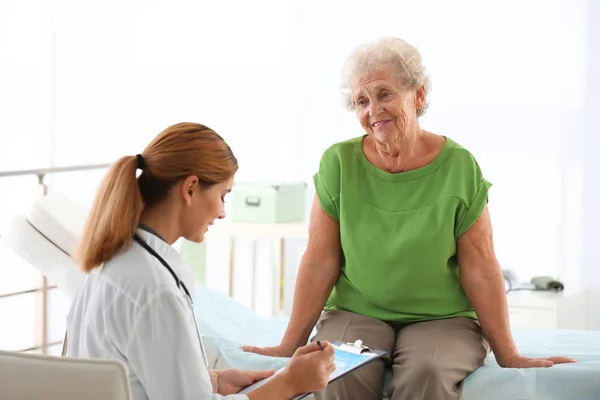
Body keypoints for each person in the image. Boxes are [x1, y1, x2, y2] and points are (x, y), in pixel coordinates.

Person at [242, 37, 577, 399]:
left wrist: (509, 355)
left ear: (417, 96)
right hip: (358, 312)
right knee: (337, 372)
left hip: (443, 319)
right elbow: (319, 261)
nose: (373, 110)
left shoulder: (459, 167)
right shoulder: (338, 163)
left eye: (385, 94)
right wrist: (288, 345)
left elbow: (481, 269)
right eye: (361, 101)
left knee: (428, 372)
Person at [66, 122, 336, 400]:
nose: (221, 213)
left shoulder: (111, 264)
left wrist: (212, 382)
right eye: (222, 195)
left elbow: (139, 375)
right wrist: (289, 383)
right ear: (191, 188)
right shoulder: (156, 290)